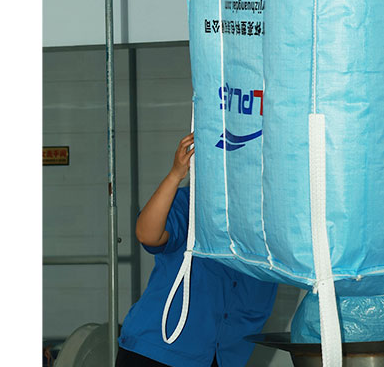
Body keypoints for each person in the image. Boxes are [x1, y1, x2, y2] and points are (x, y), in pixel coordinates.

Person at [117, 133, 278, 367]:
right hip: (157, 350)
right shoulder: (193, 205)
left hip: (221, 357)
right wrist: (175, 175)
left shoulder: (272, 228)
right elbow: (147, 234)